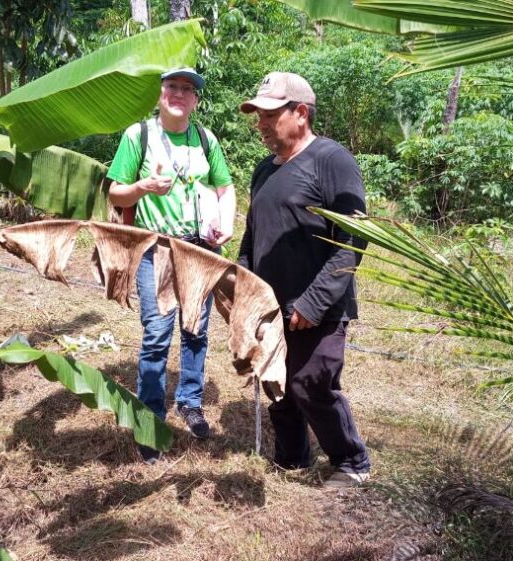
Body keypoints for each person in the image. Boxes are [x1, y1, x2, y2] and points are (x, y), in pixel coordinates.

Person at [237, 72, 371, 487]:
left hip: (319, 306)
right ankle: (292, 458)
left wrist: (313, 303)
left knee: (310, 383)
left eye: (270, 114)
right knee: (278, 382)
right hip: (269, 305)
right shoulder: (264, 170)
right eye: (258, 114)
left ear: (300, 113)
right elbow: (253, 234)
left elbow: (354, 238)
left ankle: (352, 462)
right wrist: (241, 289)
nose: (260, 122)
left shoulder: (332, 160)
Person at [107, 68, 236, 463]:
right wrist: (143, 186)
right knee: (157, 333)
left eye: (187, 89)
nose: (179, 94)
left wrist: (226, 224)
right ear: (160, 96)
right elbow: (115, 192)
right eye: (172, 88)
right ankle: (150, 419)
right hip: (156, 249)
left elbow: (225, 187)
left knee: (196, 330)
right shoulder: (138, 136)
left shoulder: (205, 139)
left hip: (200, 250)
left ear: (195, 100)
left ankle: (190, 401)